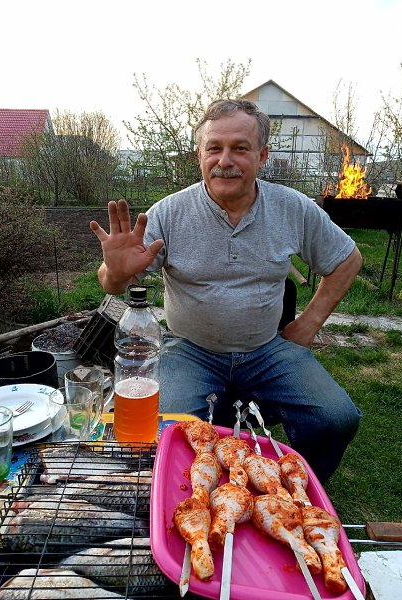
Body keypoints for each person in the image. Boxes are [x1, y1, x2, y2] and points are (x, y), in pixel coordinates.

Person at [90, 99, 363, 483]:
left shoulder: (292, 208)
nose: (225, 161)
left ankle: (298, 489)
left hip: (266, 350)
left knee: (336, 417)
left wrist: (308, 324)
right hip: (190, 349)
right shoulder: (168, 213)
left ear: (262, 156)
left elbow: (348, 259)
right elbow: (113, 282)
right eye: (214, 148)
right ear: (199, 155)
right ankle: (190, 492)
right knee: (165, 428)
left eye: (240, 148)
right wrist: (115, 273)